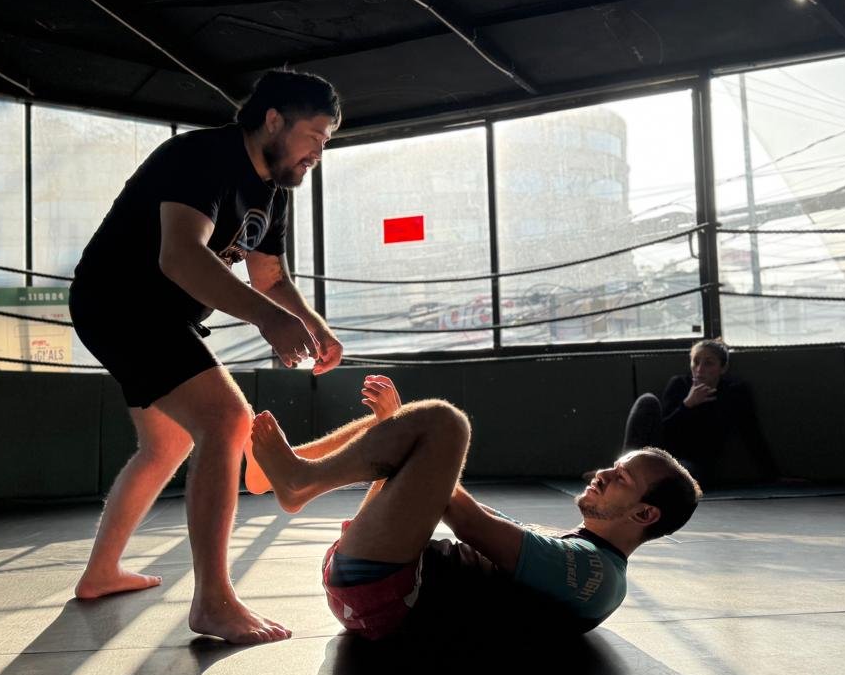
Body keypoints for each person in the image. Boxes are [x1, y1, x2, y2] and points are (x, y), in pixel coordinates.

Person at [69, 69, 343, 644]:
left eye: (327, 140)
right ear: (274, 120)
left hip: (157, 316)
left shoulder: (273, 188)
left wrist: (313, 326)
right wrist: (269, 320)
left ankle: (101, 573)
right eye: (314, 136)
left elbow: (269, 277)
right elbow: (181, 258)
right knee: (227, 419)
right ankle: (214, 602)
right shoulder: (200, 156)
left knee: (167, 441)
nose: (320, 151)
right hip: (119, 301)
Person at [248, 375, 701, 644]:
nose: (602, 474)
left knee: (444, 424)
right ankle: (278, 474)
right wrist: (400, 433)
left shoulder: (595, 573)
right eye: (613, 467)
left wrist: (417, 441)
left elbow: (467, 522)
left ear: (644, 515)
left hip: (387, 593)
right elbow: (450, 501)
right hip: (378, 584)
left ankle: (298, 480)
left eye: (620, 478)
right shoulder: (583, 562)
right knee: (403, 432)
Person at [623, 338, 779, 485]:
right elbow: (663, 432)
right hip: (658, 454)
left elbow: (752, 435)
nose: (699, 369)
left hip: (692, 464)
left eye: (708, 363)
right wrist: (687, 405)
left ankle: (636, 481)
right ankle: (624, 471)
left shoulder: (734, 392)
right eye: (696, 362)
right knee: (647, 400)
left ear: (723, 368)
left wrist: (774, 476)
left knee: (680, 474)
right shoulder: (679, 385)